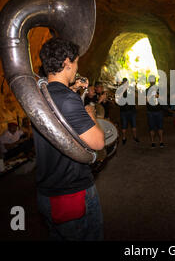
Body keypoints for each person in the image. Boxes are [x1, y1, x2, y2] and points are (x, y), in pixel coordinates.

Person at [34, 37, 105, 241]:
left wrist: (73, 91)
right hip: (71, 192)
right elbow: (98, 142)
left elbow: (59, 108)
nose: (76, 68)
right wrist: (89, 111)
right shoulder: (67, 100)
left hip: (48, 192)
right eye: (75, 63)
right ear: (67, 62)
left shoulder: (39, 95)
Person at [118, 78, 139, 145]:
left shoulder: (131, 89)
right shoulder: (119, 89)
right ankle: (124, 138)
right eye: (124, 83)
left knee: (134, 125)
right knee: (124, 126)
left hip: (132, 110)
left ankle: (135, 137)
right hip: (123, 111)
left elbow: (137, 96)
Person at [146, 75, 164, 148]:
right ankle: (153, 142)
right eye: (151, 80)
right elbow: (146, 101)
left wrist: (157, 95)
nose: (152, 81)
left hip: (159, 111)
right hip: (150, 111)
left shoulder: (160, 89)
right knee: (151, 127)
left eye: (153, 80)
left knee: (160, 127)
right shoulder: (147, 90)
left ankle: (161, 141)